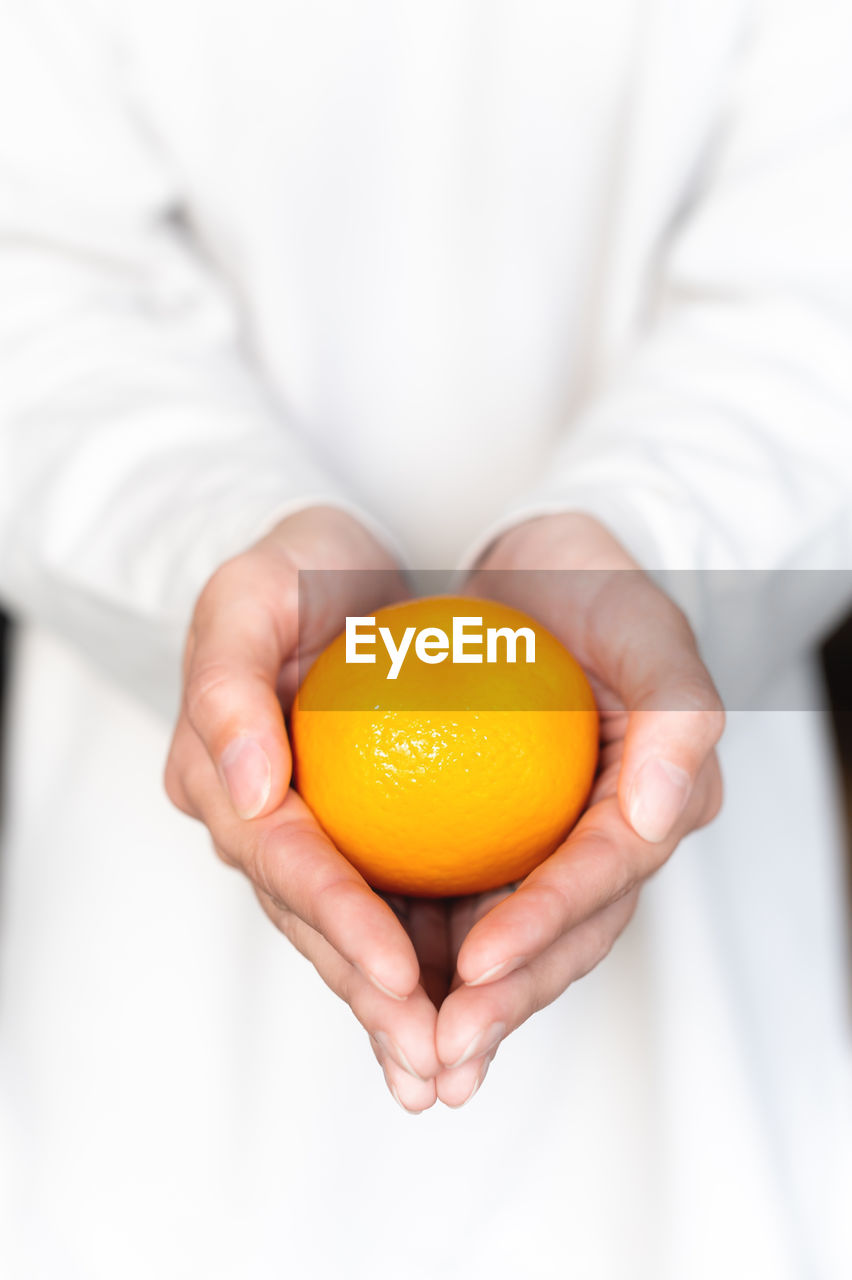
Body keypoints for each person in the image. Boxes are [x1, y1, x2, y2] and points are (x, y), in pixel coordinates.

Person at [0, 1, 850, 1276]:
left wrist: (650, 538)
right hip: (159, 997)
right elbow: (36, 272)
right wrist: (221, 547)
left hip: (691, 993)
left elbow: (821, 281)